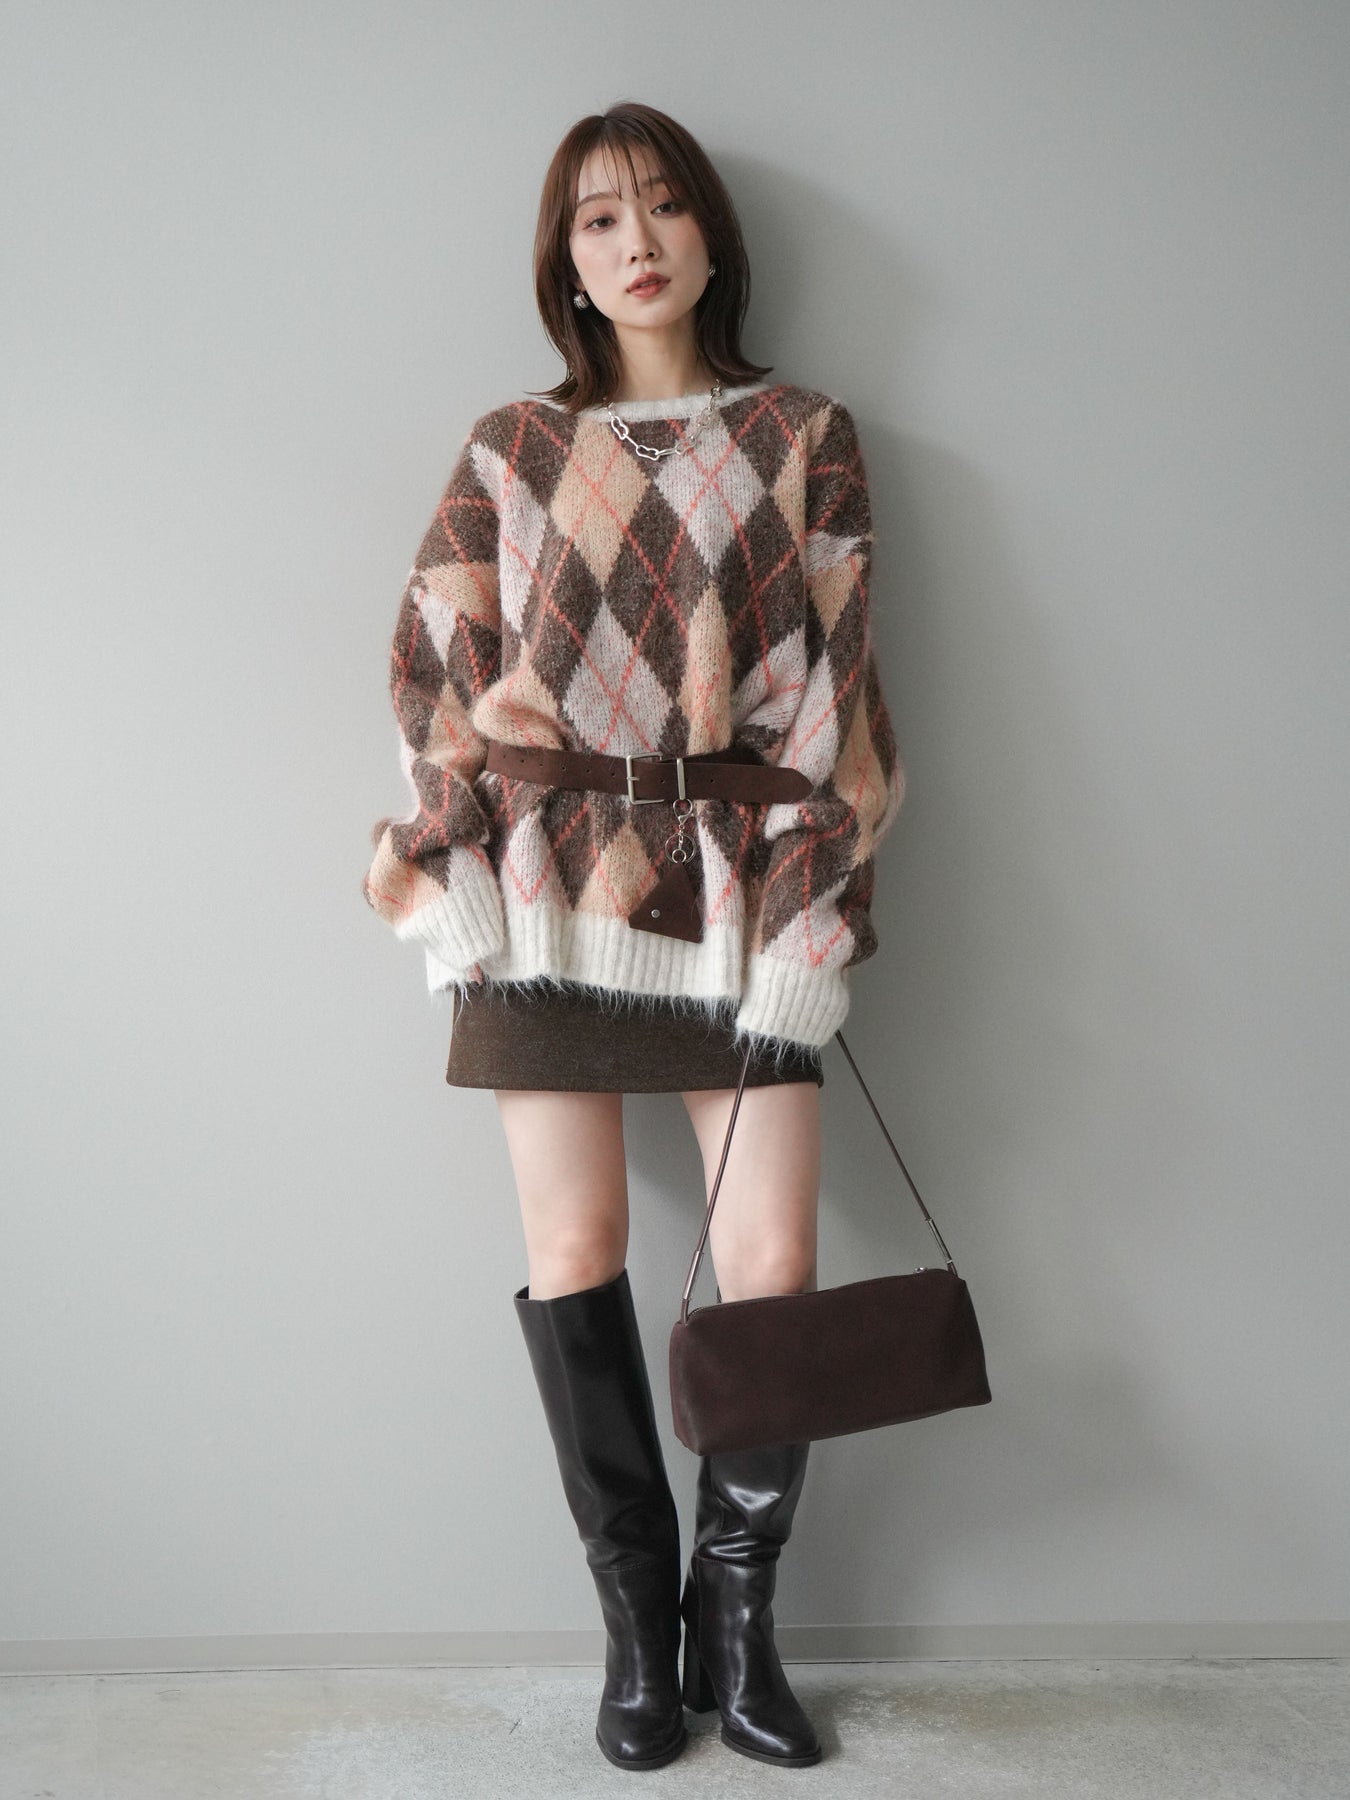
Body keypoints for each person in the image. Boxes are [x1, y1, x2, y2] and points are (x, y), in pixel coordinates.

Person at [362, 100, 905, 1771]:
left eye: (662, 206)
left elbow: (838, 703)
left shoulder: (805, 434)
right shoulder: (509, 450)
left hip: (743, 897)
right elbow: (433, 676)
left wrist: (814, 914)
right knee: (577, 1246)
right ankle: (633, 1636)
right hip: (543, 899)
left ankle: (736, 1629)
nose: (636, 240)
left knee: (771, 1265)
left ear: (710, 237)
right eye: (598, 220)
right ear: (567, 264)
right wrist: (446, 874)